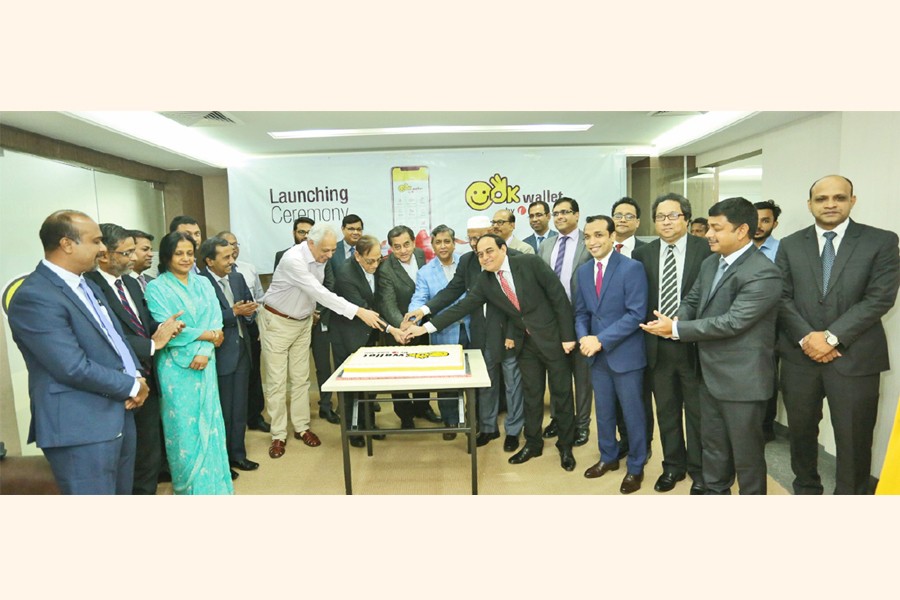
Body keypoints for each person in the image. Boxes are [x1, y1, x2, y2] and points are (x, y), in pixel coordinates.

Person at [642, 197, 781, 495]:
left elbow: (732, 322)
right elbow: (693, 300)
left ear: (742, 230)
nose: (708, 234)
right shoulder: (711, 263)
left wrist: (677, 328)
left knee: (746, 458)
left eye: (717, 228)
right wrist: (674, 319)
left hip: (742, 382)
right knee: (713, 449)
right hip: (709, 375)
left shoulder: (763, 271)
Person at [8, 210, 150, 494]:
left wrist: (136, 374)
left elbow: (116, 338)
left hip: (118, 414)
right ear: (67, 244)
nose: (102, 249)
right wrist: (130, 385)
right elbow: (71, 366)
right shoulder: (36, 296)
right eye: (96, 241)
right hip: (80, 426)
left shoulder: (86, 284)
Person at [409, 234, 578, 472]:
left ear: (503, 248)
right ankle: (533, 443)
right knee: (531, 394)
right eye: (479, 254)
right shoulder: (486, 281)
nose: (485, 257)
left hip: (554, 339)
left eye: (489, 251)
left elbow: (558, 297)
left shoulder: (529, 263)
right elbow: (461, 306)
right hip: (526, 344)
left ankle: (566, 445)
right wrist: (423, 328)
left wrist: (568, 336)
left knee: (561, 393)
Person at [777, 175, 900, 494]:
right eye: (821, 199)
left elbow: (880, 297)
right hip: (799, 357)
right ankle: (805, 487)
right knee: (801, 432)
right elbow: (780, 296)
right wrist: (807, 337)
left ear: (852, 201)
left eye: (839, 198)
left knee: (854, 437)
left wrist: (831, 337)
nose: (830, 204)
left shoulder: (882, 241)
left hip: (856, 356)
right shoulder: (790, 244)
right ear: (810, 205)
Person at [261, 223, 385, 459]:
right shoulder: (293, 260)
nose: (330, 256)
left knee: (301, 378)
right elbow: (320, 292)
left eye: (331, 251)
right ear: (310, 243)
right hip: (278, 322)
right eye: (325, 251)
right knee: (277, 381)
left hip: (303, 321)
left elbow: (316, 293)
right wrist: (359, 311)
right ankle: (278, 434)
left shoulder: (321, 256)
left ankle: (301, 427)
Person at [403, 216, 526, 452]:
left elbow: (519, 302)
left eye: (479, 237)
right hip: (481, 331)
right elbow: (452, 293)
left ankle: (513, 430)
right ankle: (489, 428)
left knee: (513, 384)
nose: (474, 243)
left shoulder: (514, 259)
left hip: (509, 333)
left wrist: (513, 331)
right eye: (470, 238)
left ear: (491, 232)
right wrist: (422, 311)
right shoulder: (469, 261)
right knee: (486, 384)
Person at [85, 223, 184, 494]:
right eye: (126, 253)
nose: (133, 258)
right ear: (105, 254)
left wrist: (164, 327)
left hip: (148, 379)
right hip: (118, 385)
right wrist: (152, 344)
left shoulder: (129, 282)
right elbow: (107, 339)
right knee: (122, 461)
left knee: (148, 456)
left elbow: (141, 322)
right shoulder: (89, 288)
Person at [632, 193, 712, 494]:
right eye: (661, 217)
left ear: (686, 218)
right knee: (665, 410)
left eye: (673, 215)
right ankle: (673, 466)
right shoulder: (643, 254)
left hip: (694, 343)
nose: (666, 222)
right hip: (657, 345)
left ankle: (700, 470)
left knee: (697, 412)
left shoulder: (706, 249)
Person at [144, 231, 233, 494]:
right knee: (184, 430)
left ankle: (216, 489)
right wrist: (208, 337)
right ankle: (189, 489)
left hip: (205, 363)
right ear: (167, 256)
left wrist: (204, 349)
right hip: (175, 369)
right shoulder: (156, 288)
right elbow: (168, 330)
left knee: (211, 424)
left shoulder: (203, 283)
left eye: (189, 253)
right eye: (179, 253)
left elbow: (216, 320)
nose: (185, 258)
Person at [574, 216, 649, 494]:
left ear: (611, 236)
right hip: (596, 356)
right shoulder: (582, 272)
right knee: (603, 412)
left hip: (625, 355)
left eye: (598, 235)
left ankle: (636, 466)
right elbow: (581, 312)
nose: (592, 242)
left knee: (633, 414)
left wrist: (600, 340)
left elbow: (635, 314)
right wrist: (584, 337)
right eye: (587, 237)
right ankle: (608, 457)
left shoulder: (631, 268)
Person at [331, 235, 407, 447]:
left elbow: (382, 301)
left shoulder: (378, 267)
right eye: (369, 261)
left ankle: (369, 425)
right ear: (357, 256)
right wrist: (392, 330)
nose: (375, 265)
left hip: (370, 334)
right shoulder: (345, 275)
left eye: (378, 259)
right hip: (348, 334)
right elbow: (366, 311)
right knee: (349, 386)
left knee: (369, 383)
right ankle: (353, 431)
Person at [198, 237, 260, 474]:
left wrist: (248, 313)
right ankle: (221, 460)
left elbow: (249, 306)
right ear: (209, 261)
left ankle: (238, 455)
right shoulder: (200, 282)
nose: (232, 261)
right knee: (221, 410)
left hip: (242, 349)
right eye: (226, 257)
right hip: (218, 352)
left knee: (239, 408)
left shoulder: (237, 277)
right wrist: (233, 312)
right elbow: (204, 318)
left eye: (233, 255)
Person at [538, 197, 593, 446]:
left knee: (582, 378)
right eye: (556, 213)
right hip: (552, 322)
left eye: (565, 212)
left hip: (581, 318)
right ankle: (560, 419)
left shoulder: (588, 242)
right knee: (557, 374)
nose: (559, 217)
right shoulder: (546, 246)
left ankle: (582, 425)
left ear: (577, 215)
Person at [409, 225, 472, 438]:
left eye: (447, 241)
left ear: (454, 243)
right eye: (438, 242)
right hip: (444, 333)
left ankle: (474, 420)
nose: (443, 246)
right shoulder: (425, 272)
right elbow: (419, 298)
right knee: (447, 382)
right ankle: (451, 422)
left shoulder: (468, 263)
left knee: (475, 378)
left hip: (471, 329)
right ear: (432, 245)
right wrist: (412, 318)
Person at [377, 225, 442, 428]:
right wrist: (403, 328)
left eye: (406, 244)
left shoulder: (423, 256)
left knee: (423, 371)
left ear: (414, 242)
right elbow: (388, 304)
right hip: (398, 331)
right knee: (400, 375)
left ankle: (424, 407)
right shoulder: (385, 269)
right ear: (391, 248)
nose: (403, 250)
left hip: (423, 326)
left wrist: (419, 325)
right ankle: (405, 415)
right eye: (397, 247)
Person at [217, 230, 269, 432]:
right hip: (226, 334)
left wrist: (252, 314)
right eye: (228, 245)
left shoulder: (247, 270)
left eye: (235, 244)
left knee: (254, 374)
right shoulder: (206, 277)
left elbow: (258, 296)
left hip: (249, 328)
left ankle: (255, 416)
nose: (233, 249)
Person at [752, 199, 782, 442]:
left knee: (768, 376)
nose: (759, 225)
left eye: (766, 220)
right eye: (756, 219)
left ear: (775, 223)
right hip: (741, 326)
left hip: (775, 326)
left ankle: (764, 427)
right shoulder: (736, 251)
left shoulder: (784, 250)